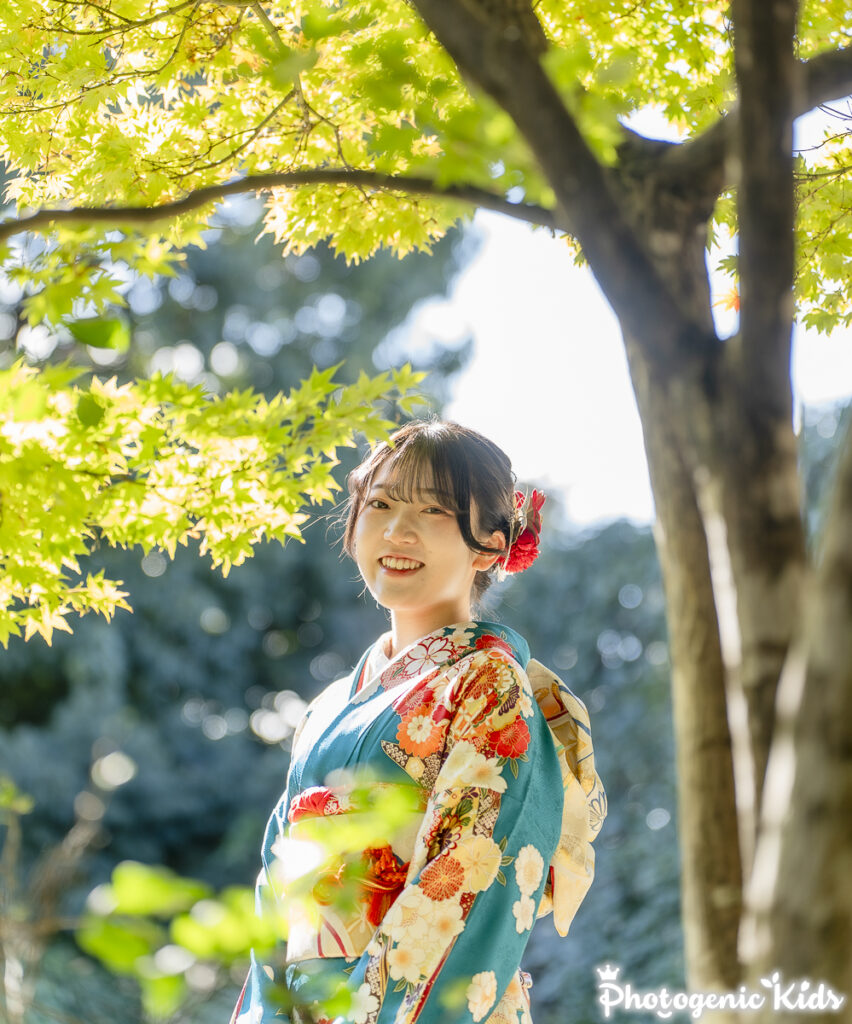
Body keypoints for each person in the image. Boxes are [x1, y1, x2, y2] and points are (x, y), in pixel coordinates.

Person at [230, 420, 606, 1024]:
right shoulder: (328, 705)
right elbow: (276, 886)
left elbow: (467, 883)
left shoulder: (488, 684)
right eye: (378, 504)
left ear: (489, 542)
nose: (397, 530)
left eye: (433, 510)